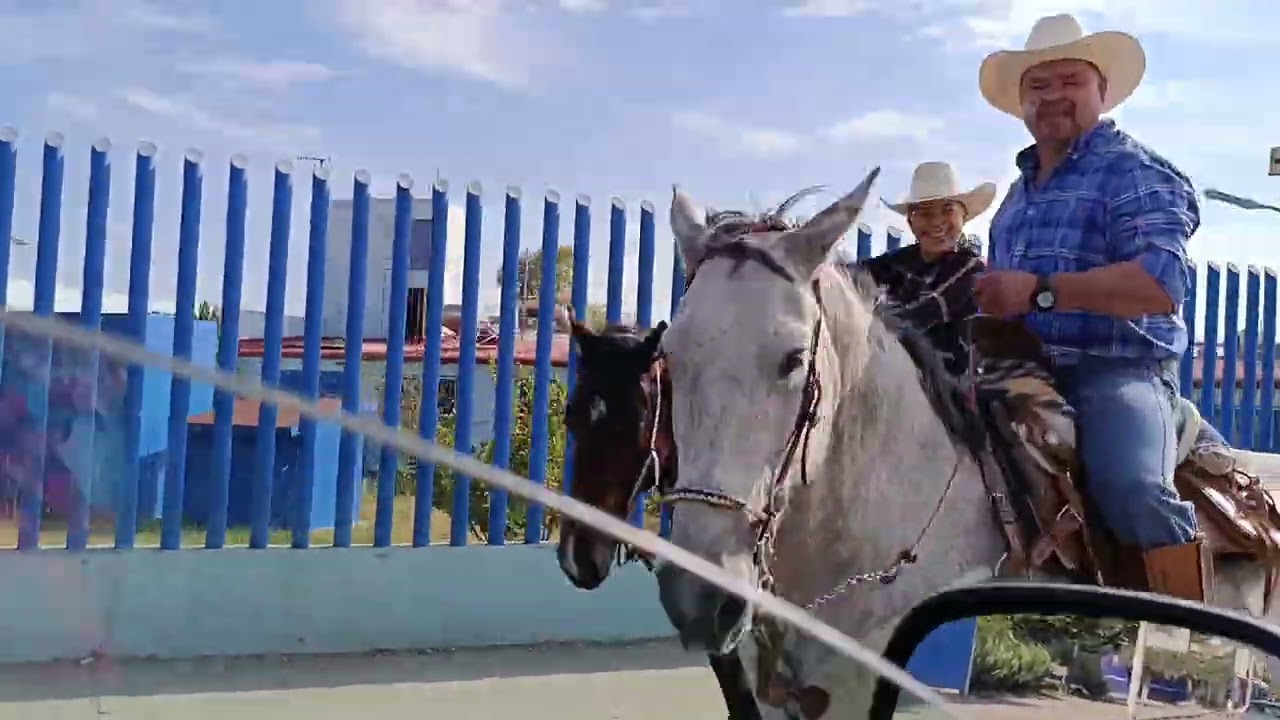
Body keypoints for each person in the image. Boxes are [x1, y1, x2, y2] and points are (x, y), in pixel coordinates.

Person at [973, 14, 1206, 601]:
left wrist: (1041, 289)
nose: (1053, 96)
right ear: (1022, 102)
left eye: (1069, 81)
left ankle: (1194, 632)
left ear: (1102, 90)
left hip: (1116, 367)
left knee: (1131, 487)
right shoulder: (1017, 194)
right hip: (1021, 368)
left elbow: (1161, 283)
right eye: (1038, 86)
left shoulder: (1135, 169)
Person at [857, 161, 996, 376]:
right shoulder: (898, 261)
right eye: (925, 214)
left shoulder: (971, 271)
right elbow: (851, 275)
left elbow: (917, 316)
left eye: (947, 210)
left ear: (964, 216)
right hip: (894, 377)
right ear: (911, 223)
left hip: (950, 390)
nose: (937, 222)